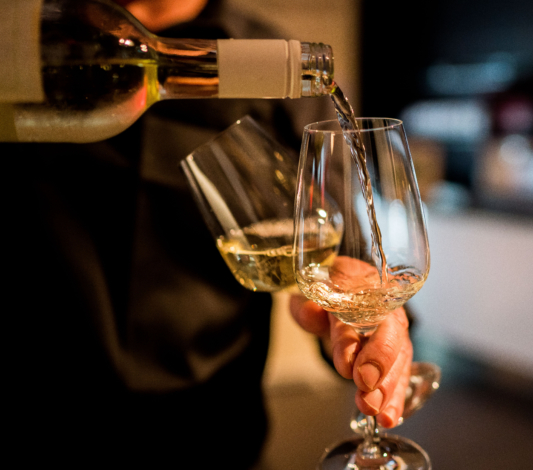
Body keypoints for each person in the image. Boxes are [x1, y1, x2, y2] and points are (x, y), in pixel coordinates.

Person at [8, 0, 413, 465]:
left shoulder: (273, 60)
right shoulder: (30, 39)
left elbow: (351, 255)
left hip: (214, 434)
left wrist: (354, 315)